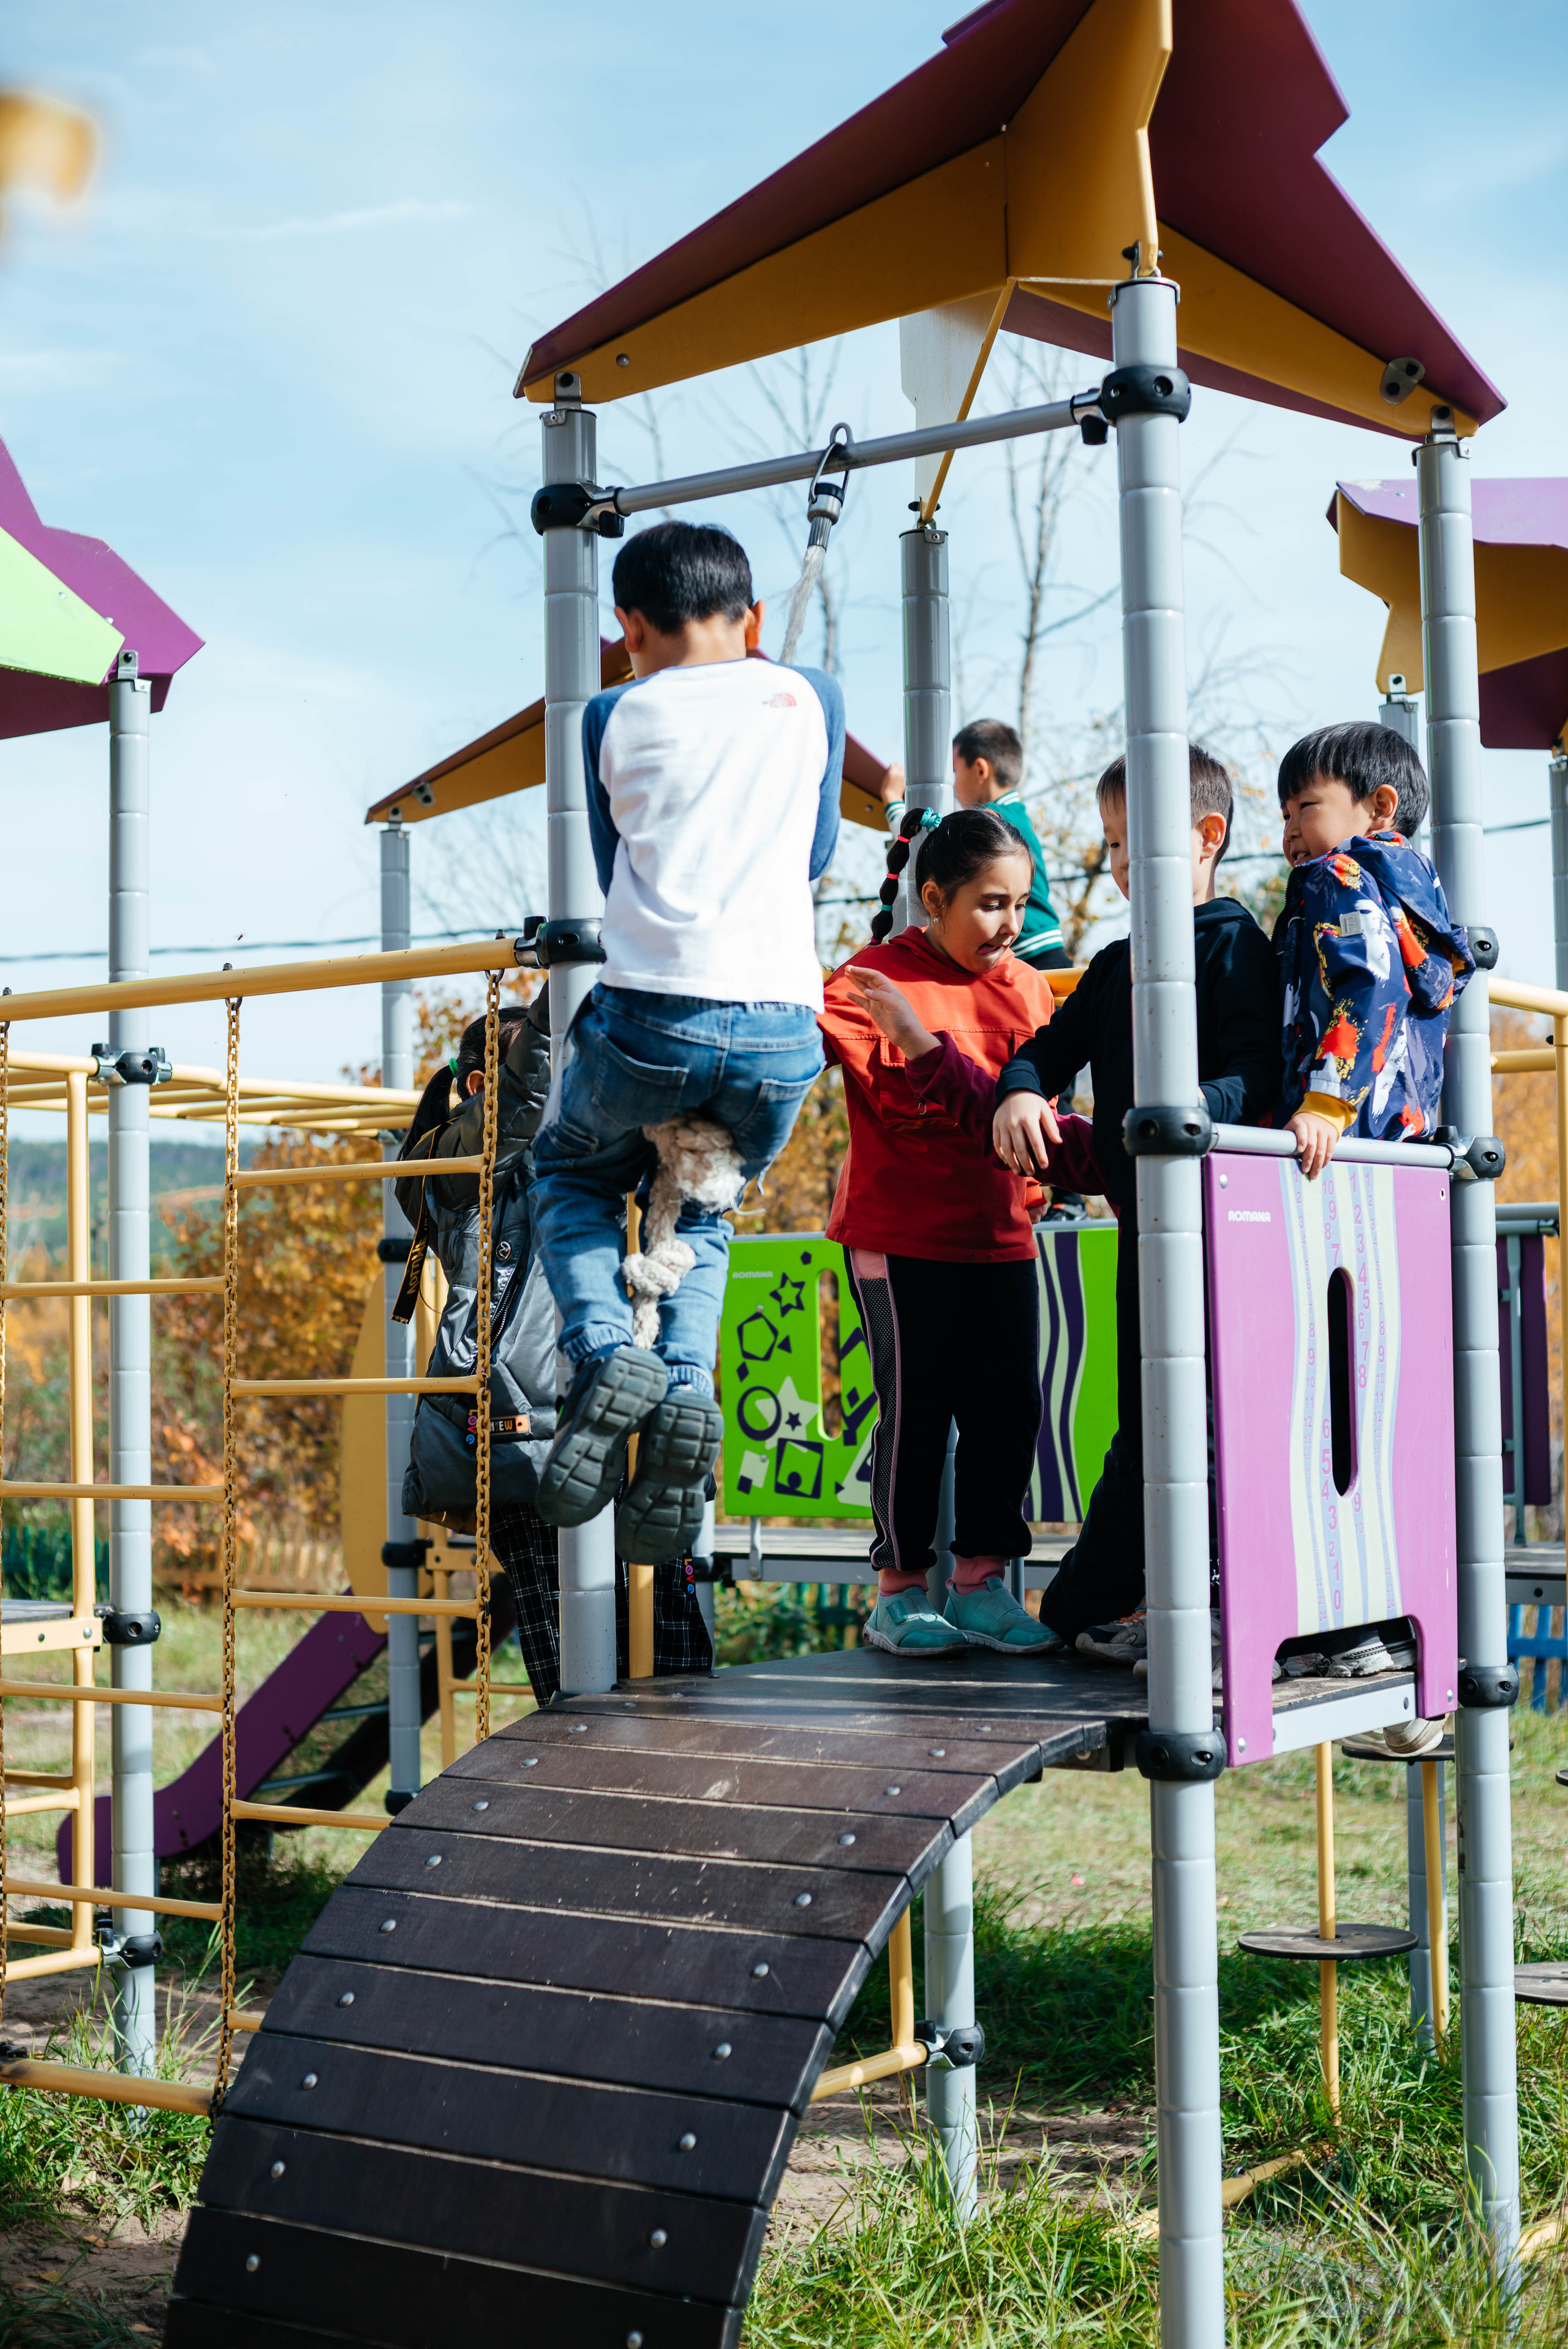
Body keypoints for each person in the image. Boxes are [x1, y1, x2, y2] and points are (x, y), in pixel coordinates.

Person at [530, 519, 843, 1565]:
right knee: (703, 1205)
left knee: (570, 1177)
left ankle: (604, 1350)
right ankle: (685, 1388)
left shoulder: (612, 712)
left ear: (627, 627)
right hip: (782, 1030)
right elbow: (817, 849)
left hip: (652, 1015)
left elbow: (614, 852)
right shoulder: (812, 698)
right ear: (750, 617)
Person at [990, 745, 1281, 1667]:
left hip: (1216, 1223)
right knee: (1148, 1419)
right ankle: (1096, 1605)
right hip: (1142, 1225)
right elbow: (1048, 1043)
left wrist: (1190, 1113)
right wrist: (1022, 1090)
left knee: (1198, 1418)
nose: (1119, 863)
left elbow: (1257, 1073)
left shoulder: (1235, 945)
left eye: (1135, 842)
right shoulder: (1116, 963)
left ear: (1206, 836)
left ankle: (1179, 1605)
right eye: (1111, 844)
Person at [819, 806, 1096, 1657]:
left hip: (998, 1230)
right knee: (917, 1410)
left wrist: (1041, 1167)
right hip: (902, 1235)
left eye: (1020, 904)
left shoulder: (1025, 984)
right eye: (989, 903)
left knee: (1008, 1406)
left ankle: (981, 1583)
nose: (1010, 925)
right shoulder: (870, 982)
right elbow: (861, 1078)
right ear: (932, 898)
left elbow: (1035, 1105)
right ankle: (899, 1590)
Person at [395, 998, 715, 1699]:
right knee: (577, 1673)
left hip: (610, 1431)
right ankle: (596, 1798)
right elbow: (528, 1096)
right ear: (483, 1088)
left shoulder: (579, 1153)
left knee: (676, 1653)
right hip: (528, 1437)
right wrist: (562, 998)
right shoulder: (459, 1165)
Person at [1275, 722, 1473, 1176]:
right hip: (1402, 1133)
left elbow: (1372, 982)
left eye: (1305, 807)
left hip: (1330, 1130)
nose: (1289, 830)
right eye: (1284, 815)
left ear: (1380, 806)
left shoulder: (1337, 877)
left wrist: (1327, 1099)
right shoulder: (1420, 890)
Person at [876, 718, 1069, 969]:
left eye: (954, 774)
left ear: (980, 770)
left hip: (1031, 955)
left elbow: (934, 846)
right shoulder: (1017, 816)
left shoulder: (993, 822)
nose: (953, 787)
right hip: (1047, 948)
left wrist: (893, 802)